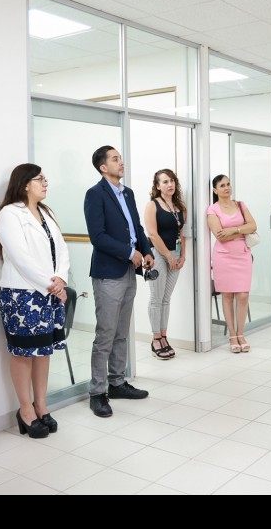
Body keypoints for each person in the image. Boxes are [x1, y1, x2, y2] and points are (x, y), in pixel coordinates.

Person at [0, 164, 69, 439]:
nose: (46, 183)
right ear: (25, 183)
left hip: (49, 292)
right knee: (23, 353)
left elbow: (61, 249)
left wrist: (61, 278)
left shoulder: (46, 212)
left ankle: (42, 406)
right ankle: (25, 411)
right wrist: (51, 285)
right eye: (40, 179)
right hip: (22, 294)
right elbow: (19, 256)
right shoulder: (10, 213)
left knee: (43, 351)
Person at [84, 146, 153, 418]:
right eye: (115, 159)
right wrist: (129, 252)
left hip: (129, 271)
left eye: (120, 158)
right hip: (108, 272)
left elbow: (136, 228)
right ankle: (97, 392)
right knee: (106, 334)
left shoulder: (128, 193)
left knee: (122, 332)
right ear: (103, 167)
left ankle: (116, 383)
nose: (120, 162)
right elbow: (97, 236)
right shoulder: (95, 194)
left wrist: (146, 251)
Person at [207, 174, 257, 353]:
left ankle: (241, 333)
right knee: (227, 296)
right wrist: (242, 230)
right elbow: (220, 235)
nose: (227, 187)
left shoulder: (240, 205)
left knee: (243, 295)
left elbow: (253, 226)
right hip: (223, 257)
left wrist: (233, 230)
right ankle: (232, 335)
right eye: (222, 185)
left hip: (243, 254)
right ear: (215, 190)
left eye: (228, 184)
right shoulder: (212, 210)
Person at [144, 169, 187, 360]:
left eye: (172, 181)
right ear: (157, 186)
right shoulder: (152, 205)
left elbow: (182, 234)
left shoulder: (180, 207)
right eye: (165, 182)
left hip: (175, 255)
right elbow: (152, 234)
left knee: (166, 299)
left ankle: (163, 336)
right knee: (156, 298)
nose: (170, 185)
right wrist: (168, 256)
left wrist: (182, 256)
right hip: (158, 255)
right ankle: (155, 339)